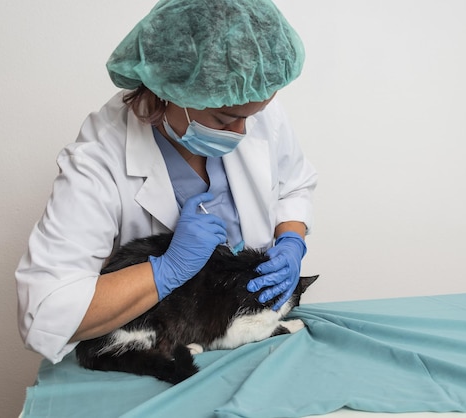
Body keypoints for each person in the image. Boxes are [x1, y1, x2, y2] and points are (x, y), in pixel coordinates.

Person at [16, 0, 317, 364]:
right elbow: (45, 313)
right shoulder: (98, 159)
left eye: (252, 116)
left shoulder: (247, 100)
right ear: (171, 91)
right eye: (224, 119)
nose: (241, 132)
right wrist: (165, 270)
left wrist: (291, 241)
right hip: (168, 339)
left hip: (250, 332)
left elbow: (293, 185)